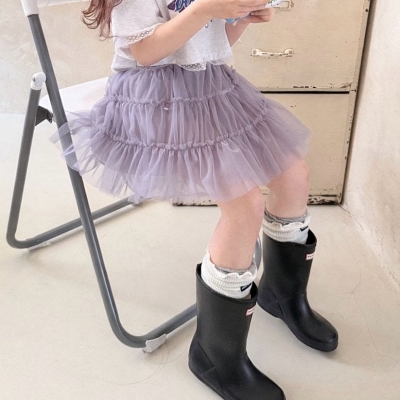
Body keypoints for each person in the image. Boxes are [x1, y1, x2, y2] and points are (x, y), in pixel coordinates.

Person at [53, 1, 338, 399]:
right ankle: (214, 354)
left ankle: (283, 295)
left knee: (294, 176)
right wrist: (204, 10)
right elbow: (144, 52)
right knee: (245, 206)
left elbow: (207, 44)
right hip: (155, 99)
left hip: (213, 87)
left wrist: (240, 20)